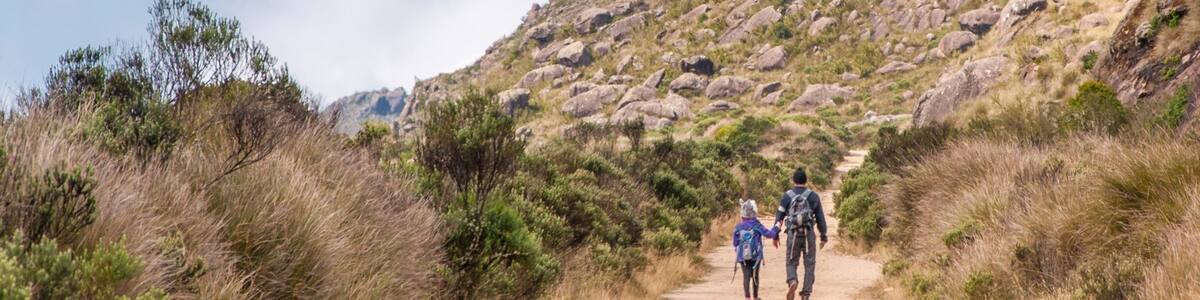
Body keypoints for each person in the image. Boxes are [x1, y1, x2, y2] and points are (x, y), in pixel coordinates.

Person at [772, 168, 828, 300]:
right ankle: (805, 294)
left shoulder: (787, 196)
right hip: (808, 234)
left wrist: (775, 234)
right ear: (806, 181)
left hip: (793, 234)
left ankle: (792, 281)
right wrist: (823, 236)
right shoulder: (813, 196)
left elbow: (779, 216)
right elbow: (820, 218)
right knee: (810, 264)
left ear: (793, 180)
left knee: (791, 262)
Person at [733, 199, 780, 300]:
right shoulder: (757, 225)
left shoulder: (738, 227)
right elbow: (770, 234)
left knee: (746, 276)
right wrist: (777, 227)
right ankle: (755, 297)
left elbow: (735, 243)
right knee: (755, 276)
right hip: (755, 256)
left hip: (742, 257)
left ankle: (747, 297)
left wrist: (739, 252)